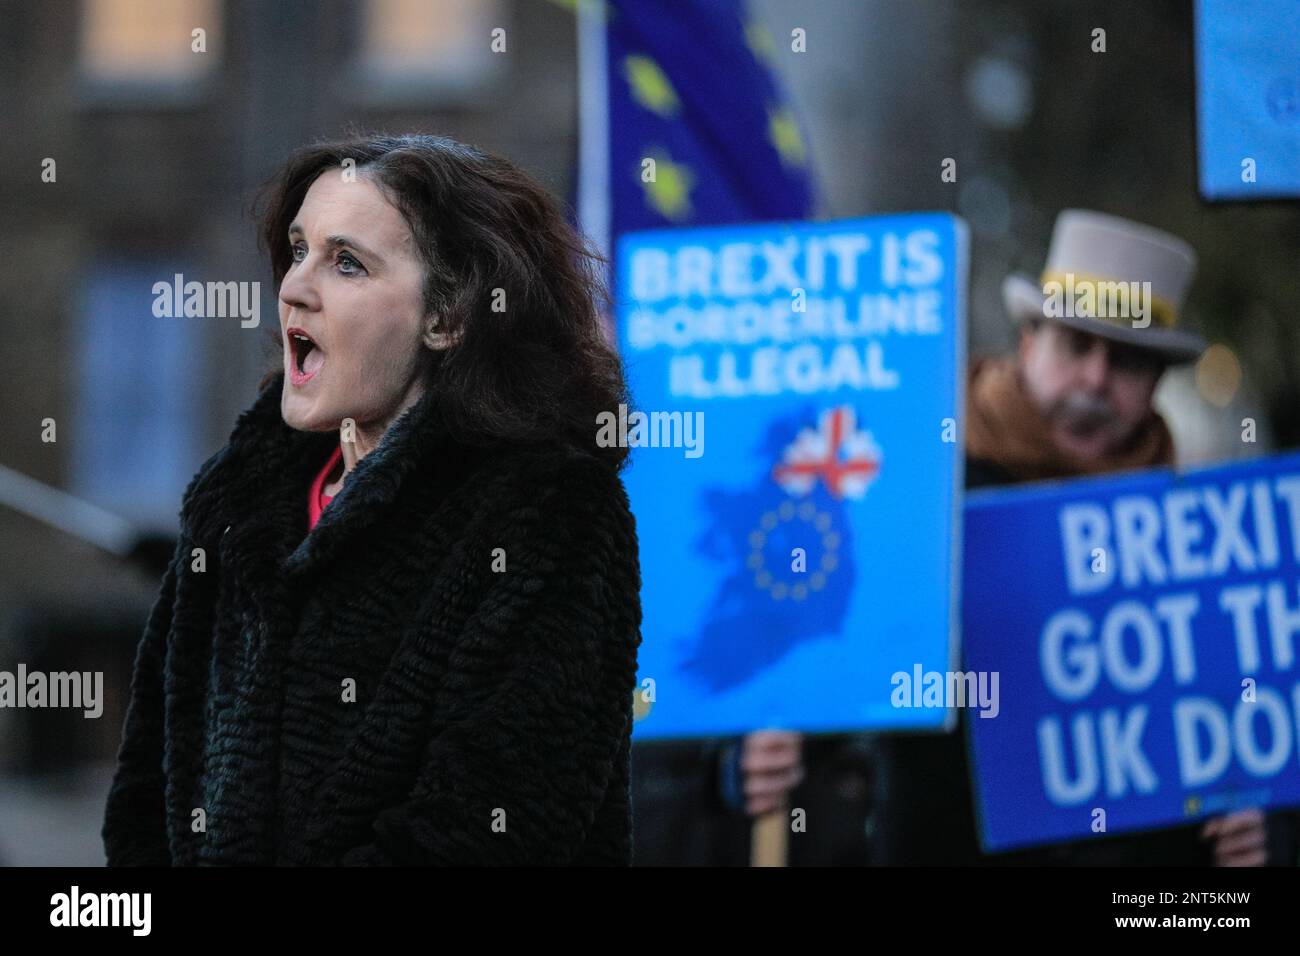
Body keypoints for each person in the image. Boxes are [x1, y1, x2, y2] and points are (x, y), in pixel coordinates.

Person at [101, 133, 642, 865]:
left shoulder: (551, 513)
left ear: (447, 317)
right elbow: (145, 797)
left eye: (347, 262)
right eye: (298, 250)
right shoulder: (233, 507)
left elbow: (490, 832)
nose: (295, 286)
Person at [870, 209, 1288, 866]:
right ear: (1029, 342)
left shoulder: (1196, 547)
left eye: (1127, 361)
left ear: (1155, 384)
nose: (1096, 380)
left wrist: (1245, 839)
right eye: (1075, 346)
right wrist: (748, 762)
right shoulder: (918, 493)